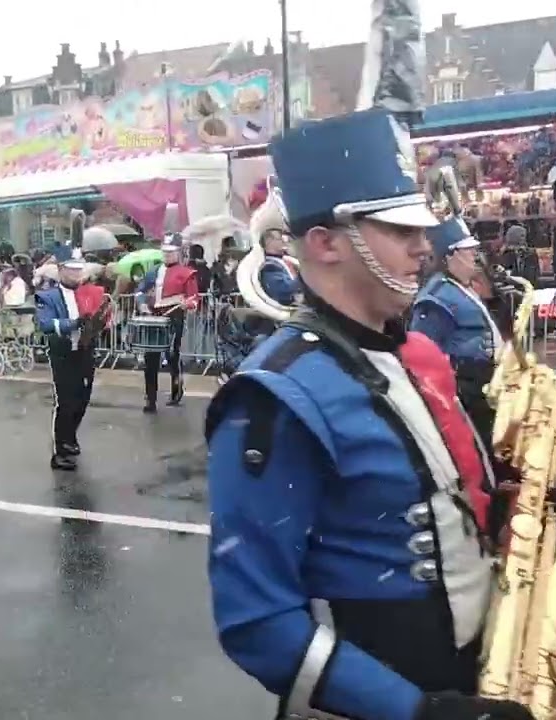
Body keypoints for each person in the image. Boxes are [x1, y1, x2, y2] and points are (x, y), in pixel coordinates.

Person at [206, 108, 534, 720]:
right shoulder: (276, 394)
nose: (423, 246)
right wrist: (416, 711)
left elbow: (436, 496)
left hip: (468, 673)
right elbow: (258, 622)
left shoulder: (408, 352)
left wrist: (513, 501)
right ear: (326, 243)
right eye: (398, 229)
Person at [409, 216, 505, 448]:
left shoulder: (462, 288)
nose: (474, 255)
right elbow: (423, 358)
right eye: (468, 250)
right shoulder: (436, 297)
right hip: (467, 393)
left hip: (486, 388)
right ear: (450, 255)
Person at [36, 251, 103, 470]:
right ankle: (60, 451)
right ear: (60, 270)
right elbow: (46, 324)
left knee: (83, 398)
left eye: (78, 270)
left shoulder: (87, 292)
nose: (76, 274)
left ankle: (70, 437)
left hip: (84, 351)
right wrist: (73, 323)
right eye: (71, 270)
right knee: (66, 402)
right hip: (63, 353)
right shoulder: (48, 296)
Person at [134, 234, 199, 412]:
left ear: (178, 253)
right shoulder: (154, 271)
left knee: (172, 355)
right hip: (154, 317)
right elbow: (140, 291)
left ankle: (176, 390)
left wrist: (188, 304)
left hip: (174, 317)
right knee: (150, 359)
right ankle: (150, 399)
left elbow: (194, 298)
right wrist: (142, 304)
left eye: (171, 252)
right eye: (165, 252)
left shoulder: (187, 273)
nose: (167, 255)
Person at [257, 226, 300, 306]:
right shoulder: (270, 267)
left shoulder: (286, 260)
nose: (284, 241)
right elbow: (283, 291)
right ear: (269, 242)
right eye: (280, 238)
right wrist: (305, 276)